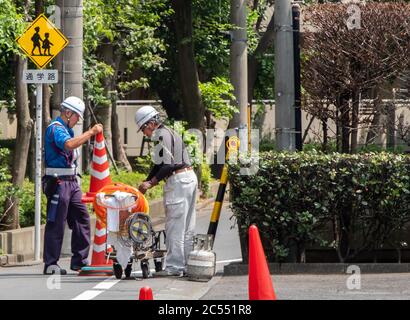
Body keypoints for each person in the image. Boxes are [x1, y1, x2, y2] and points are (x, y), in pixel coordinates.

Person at [42, 96, 103, 275]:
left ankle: (79, 261)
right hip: (58, 182)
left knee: (82, 219)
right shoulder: (56, 129)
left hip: (72, 182)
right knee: (56, 223)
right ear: (67, 113)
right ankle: (51, 263)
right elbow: (69, 146)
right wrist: (90, 132)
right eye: (76, 116)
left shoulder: (67, 130)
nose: (77, 121)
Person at [136, 106, 198, 277]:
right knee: (187, 227)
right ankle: (187, 265)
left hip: (178, 180)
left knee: (175, 226)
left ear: (150, 123)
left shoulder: (160, 135)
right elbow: (158, 165)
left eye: (143, 128)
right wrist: (147, 181)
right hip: (190, 177)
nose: (144, 133)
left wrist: (151, 183)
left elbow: (168, 165)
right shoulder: (169, 132)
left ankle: (174, 267)